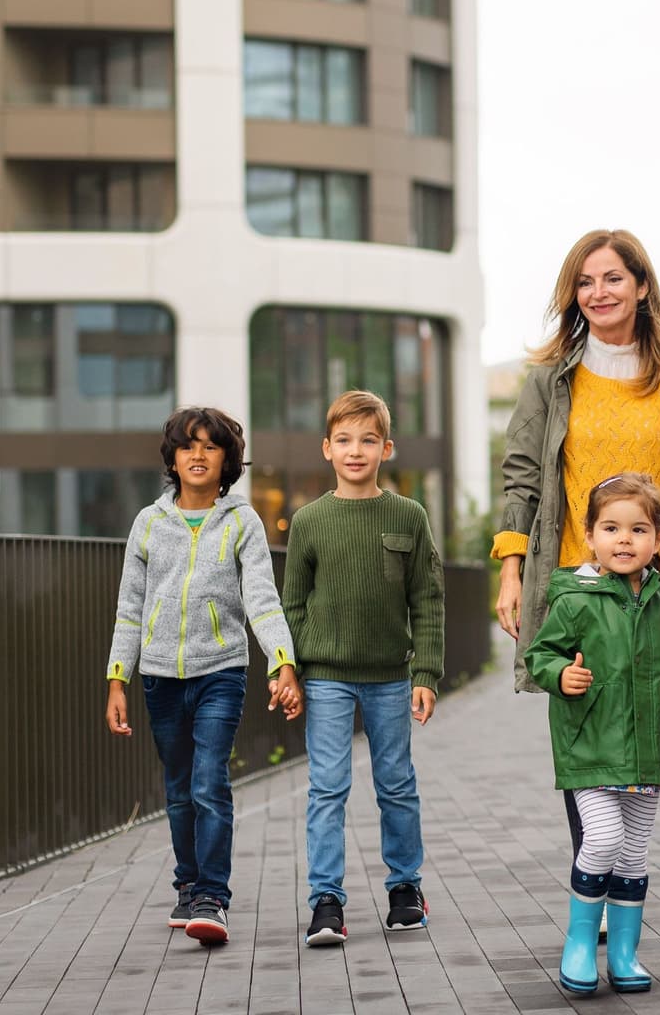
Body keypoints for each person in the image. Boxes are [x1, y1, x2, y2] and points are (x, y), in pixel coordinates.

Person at [492, 228, 660, 869]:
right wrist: (512, 570)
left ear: (640, 287)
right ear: (572, 296)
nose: (598, 292)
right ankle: (597, 871)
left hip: (656, 589)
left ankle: (617, 869)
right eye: (584, 281)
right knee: (584, 720)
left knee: (642, 718)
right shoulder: (550, 380)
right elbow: (522, 476)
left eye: (611, 278)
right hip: (577, 584)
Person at [522, 473, 660, 996]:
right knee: (605, 838)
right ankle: (578, 940)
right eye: (610, 528)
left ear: (658, 541)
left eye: (638, 530)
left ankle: (624, 953)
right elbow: (541, 655)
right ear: (589, 536)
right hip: (588, 747)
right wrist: (559, 675)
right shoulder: (573, 600)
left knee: (634, 855)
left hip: (646, 753)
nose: (624, 540)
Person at [104, 406, 302, 945]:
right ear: (172, 457)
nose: (197, 454)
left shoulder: (242, 522)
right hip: (160, 677)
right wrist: (118, 677)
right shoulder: (148, 523)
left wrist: (281, 661)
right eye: (188, 445)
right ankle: (187, 884)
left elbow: (261, 598)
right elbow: (129, 606)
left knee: (209, 781)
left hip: (221, 671)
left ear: (226, 460)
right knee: (178, 789)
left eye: (210, 446)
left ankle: (213, 896)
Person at [282, 390, 445, 947]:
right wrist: (293, 671)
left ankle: (405, 889)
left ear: (387, 448)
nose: (356, 451)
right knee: (327, 788)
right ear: (327, 449)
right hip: (325, 677)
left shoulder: (409, 516)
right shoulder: (308, 521)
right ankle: (326, 900)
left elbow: (428, 599)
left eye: (368, 440)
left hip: (392, 678)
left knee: (396, 785)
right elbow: (293, 605)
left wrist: (426, 673)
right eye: (345, 440)